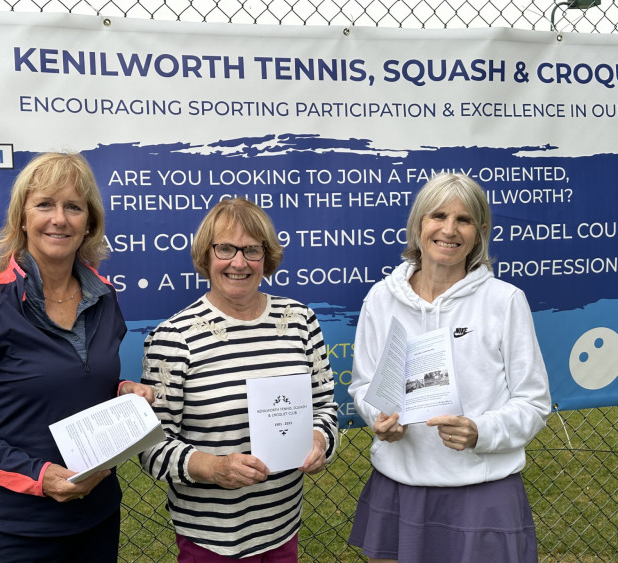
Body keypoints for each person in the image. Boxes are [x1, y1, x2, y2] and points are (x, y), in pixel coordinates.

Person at [0, 152, 154, 563]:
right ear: (22, 219)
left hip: (97, 518)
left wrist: (122, 391)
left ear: (89, 224)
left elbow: (77, 380)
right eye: (44, 204)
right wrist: (39, 477)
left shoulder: (105, 297)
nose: (59, 219)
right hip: (13, 530)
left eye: (74, 207)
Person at [348, 173, 551, 563]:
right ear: (418, 224)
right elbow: (365, 384)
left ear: (480, 231)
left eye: (464, 220)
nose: (449, 229)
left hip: (481, 489)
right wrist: (380, 416)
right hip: (400, 484)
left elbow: (534, 402)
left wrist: (481, 431)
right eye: (437, 216)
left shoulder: (504, 301)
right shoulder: (380, 299)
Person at [139, 197, 338, 561]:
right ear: (206, 255)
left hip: (282, 527)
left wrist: (320, 439)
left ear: (267, 257)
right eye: (226, 248)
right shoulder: (174, 337)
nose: (239, 262)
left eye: (251, 250)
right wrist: (213, 468)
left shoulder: (300, 321)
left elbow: (325, 406)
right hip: (210, 540)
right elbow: (152, 449)